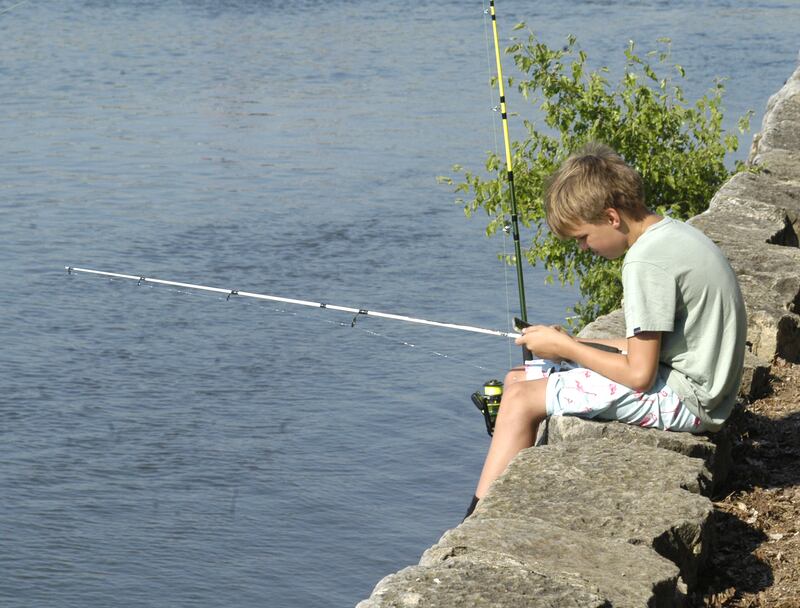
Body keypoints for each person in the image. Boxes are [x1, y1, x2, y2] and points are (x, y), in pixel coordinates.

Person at [464, 142, 747, 519]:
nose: (582, 248)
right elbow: (646, 346)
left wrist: (569, 349)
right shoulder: (672, 234)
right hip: (698, 383)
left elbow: (639, 375)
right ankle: (507, 495)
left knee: (520, 400)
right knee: (520, 377)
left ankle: (480, 517)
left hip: (691, 400)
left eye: (582, 237)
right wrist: (570, 343)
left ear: (611, 217)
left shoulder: (645, 263)